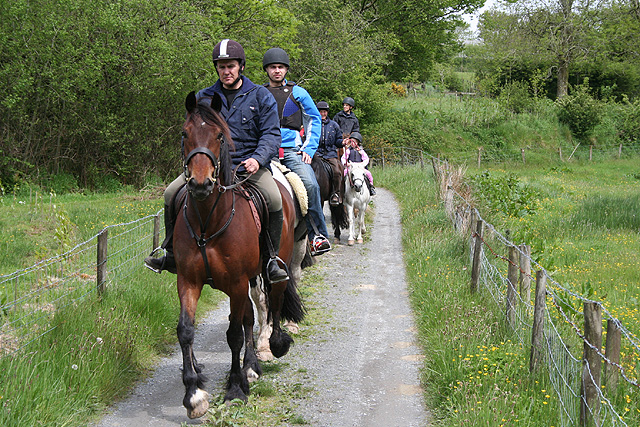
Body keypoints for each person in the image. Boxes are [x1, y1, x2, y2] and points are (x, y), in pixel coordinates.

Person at [145, 38, 289, 283]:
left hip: (248, 166)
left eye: (230, 66)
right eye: (221, 67)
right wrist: (192, 162)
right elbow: (190, 134)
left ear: (241, 66)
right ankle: (169, 254)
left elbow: (271, 134)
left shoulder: (260, 96)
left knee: (274, 198)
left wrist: (257, 159)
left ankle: (271, 259)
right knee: (170, 193)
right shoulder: (204, 97)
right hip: (209, 167)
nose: (226, 71)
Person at [262, 47, 331, 256]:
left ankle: (317, 236)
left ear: (286, 70)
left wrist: (308, 148)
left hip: (292, 150)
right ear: (267, 70)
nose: (277, 71)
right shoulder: (259, 93)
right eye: (273, 67)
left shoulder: (298, 93)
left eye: (281, 67)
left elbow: (314, 119)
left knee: (310, 184)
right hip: (265, 151)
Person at [315, 101, 344, 205]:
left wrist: (343, 142)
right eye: (321, 112)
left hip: (330, 154)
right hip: (316, 154)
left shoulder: (334, 125)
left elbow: (338, 140)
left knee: (337, 171)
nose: (323, 114)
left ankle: (335, 193)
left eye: (324, 112)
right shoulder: (313, 123)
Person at [341, 131, 376, 196]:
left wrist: (362, 164)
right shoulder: (348, 150)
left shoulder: (361, 151)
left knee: (368, 174)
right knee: (343, 173)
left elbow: (366, 159)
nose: (353, 143)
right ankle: (341, 189)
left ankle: (371, 187)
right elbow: (343, 158)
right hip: (351, 167)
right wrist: (346, 163)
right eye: (352, 141)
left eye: (355, 142)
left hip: (360, 167)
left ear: (358, 142)